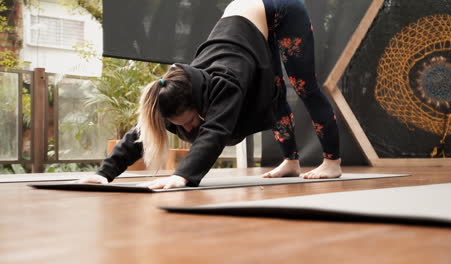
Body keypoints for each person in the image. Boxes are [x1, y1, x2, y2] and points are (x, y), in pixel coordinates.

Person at [77, 0, 342, 189]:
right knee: (275, 92)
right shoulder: (175, 90)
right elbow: (143, 130)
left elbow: (215, 132)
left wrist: (182, 176)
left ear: (199, 101)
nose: (191, 129)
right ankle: (291, 161)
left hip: (279, 8)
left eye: (191, 121)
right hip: (246, 22)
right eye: (181, 126)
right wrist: (105, 173)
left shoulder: (225, 82)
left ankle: (332, 162)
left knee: (303, 86)